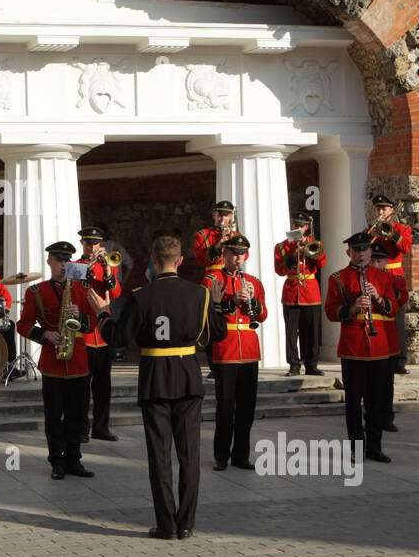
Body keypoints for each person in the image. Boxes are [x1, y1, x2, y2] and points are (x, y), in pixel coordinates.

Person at [88, 235, 227, 540]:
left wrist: (101, 312)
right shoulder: (200, 294)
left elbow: (118, 338)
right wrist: (215, 305)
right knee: (190, 455)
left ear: (152, 260)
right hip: (188, 376)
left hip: (154, 379)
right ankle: (186, 523)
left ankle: (166, 524)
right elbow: (217, 334)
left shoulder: (140, 296)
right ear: (180, 261)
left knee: (159, 456)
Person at [16, 241, 99, 480]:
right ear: (49, 262)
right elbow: (23, 325)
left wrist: (81, 316)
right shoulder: (36, 292)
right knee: (53, 416)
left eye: (66, 261)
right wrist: (44, 334)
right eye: (58, 260)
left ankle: (74, 459)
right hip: (53, 361)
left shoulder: (81, 290)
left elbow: (93, 322)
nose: (63, 265)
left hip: (79, 360)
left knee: (77, 415)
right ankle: (57, 461)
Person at [324, 232, 397, 463]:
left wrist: (377, 299)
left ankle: (375, 446)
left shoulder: (383, 277)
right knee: (353, 402)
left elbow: (393, 308)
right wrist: (353, 307)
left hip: (379, 348)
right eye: (357, 250)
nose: (362, 254)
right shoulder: (338, 278)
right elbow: (330, 312)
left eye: (365, 250)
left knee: (376, 402)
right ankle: (356, 447)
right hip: (353, 347)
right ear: (349, 253)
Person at [202, 234, 265, 471]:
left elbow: (263, 314)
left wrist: (253, 301)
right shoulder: (212, 279)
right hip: (225, 348)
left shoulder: (253, 281)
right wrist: (230, 303)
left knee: (247, 407)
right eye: (232, 253)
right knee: (226, 406)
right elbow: (206, 311)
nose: (237, 258)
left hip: (249, 348)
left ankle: (242, 455)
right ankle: (221, 456)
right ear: (224, 254)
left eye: (241, 254)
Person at [74, 226, 122, 441]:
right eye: (87, 243)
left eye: (95, 243)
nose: (91, 246)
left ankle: (101, 428)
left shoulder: (109, 264)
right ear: (82, 244)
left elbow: (116, 291)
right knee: (82, 387)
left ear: (101, 244)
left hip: (103, 333)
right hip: (84, 331)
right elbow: (76, 291)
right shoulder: (75, 266)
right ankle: (81, 429)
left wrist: (108, 268)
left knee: (104, 386)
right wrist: (90, 269)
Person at [275, 212, 325, 376]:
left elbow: (322, 262)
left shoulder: (314, 244)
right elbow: (280, 270)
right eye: (295, 225)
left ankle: (311, 365)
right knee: (291, 332)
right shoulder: (282, 246)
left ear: (306, 228)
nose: (298, 228)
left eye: (301, 225)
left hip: (310, 290)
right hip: (291, 289)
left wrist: (309, 249)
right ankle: (294, 365)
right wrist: (293, 255)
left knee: (311, 330)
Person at [369, 194, 413, 374]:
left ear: (391, 210)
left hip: (394, 276)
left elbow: (406, 248)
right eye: (378, 209)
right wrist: (371, 233)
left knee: (397, 320)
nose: (380, 212)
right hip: (377, 277)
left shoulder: (401, 228)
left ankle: (400, 361)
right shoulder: (372, 229)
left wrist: (392, 234)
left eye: (384, 209)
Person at [369, 244, 407, 432]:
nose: (376, 264)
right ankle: (371, 415)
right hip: (370, 335)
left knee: (387, 381)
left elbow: (401, 299)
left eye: (380, 260)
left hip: (388, 334)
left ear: (386, 262)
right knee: (370, 382)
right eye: (373, 260)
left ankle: (386, 416)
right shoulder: (362, 279)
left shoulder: (395, 279)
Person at [193, 199, 238, 274]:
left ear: (230, 216)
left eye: (226, 216)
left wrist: (233, 240)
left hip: (232, 276)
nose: (223, 219)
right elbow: (200, 261)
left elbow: (244, 256)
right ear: (214, 215)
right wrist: (217, 246)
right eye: (219, 215)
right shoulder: (203, 234)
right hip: (213, 276)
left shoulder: (235, 235)